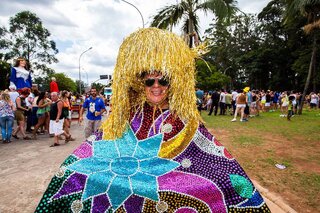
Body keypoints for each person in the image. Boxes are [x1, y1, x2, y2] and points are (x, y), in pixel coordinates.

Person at [36, 28, 270, 212]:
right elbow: (103, 141)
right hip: (126, 177)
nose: (156, 87)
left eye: (162, 81)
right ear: (141, 84)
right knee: (69, 171)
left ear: (172, 82)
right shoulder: (129, 113)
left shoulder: (184, 114)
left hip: (174, 177)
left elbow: (208, 151)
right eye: (150, 81)